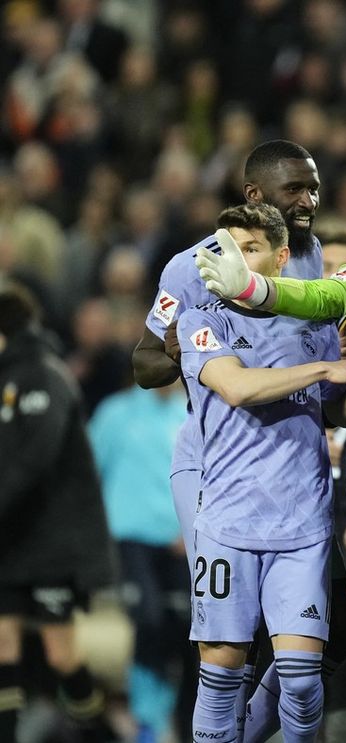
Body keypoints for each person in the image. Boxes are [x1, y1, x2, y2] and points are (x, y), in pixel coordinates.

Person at [132, 138, 326, 737]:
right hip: (214, 462)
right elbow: (144, 364)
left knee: (302, 653)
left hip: (290, 463)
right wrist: (186, 349)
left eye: (313, 187)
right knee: (226, 647)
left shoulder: (309, 254)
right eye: (295, 189)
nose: (309, 200)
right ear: (254, 194)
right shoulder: (191, 267)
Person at [176, 203, 346, 743]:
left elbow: (337, 410)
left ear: (280, 259)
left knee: (301, 680)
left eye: (250, 249)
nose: (234, 260)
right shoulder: (202, 321)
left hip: (302, 525)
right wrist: (327, 367)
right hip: (227, 522)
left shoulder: (314, 322)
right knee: (221, 677)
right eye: (226, 248)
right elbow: (237, 387)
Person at [0, 281, 116, 743]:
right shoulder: (8, 378)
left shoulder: (44, 376)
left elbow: (32, 461)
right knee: (2, 645)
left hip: (54, 543)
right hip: (12, 540)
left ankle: (102, 735)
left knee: (60, 654)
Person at [88, 380, 190, 742]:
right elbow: (87, 473)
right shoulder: (116, 413)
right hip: (128, 540)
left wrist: (195, 524)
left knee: (186, 628)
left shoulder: (193, 413)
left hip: (182, 543)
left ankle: (177, 717)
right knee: (147, 617)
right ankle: (146, 718)